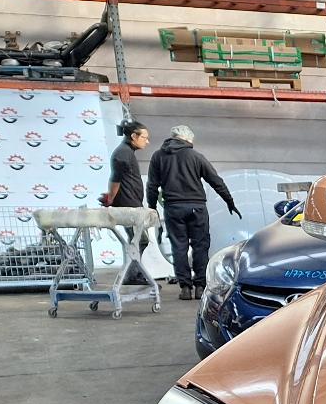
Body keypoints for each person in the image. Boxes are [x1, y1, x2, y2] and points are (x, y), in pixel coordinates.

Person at [146, 124, 240, 300]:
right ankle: (200, 286)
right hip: (197, 207)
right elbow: (215, 180)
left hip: (173, 208)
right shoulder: (196, 156)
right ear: (188, 139)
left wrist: (152, 208)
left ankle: (185, 289)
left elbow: (152, 185)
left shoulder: (158, 156)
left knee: (179, 247)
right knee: (200, 246)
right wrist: (229, 200)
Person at [102, 119, 150, 283]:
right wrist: (110, 198)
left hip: (132, 204)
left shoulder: (126, 152)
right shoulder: (122, 153)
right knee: (139, 240)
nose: (147, 141)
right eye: (144, 137)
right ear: (133, 136)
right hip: (128, 207)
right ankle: (132, 275)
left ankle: (133, 274)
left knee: (138, 240)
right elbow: (115, 179)